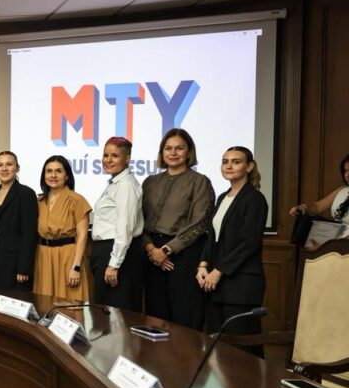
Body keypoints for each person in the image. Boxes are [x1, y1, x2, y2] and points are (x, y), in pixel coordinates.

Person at [141, 129, 214, 329]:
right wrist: (151, 250)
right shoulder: (150, 182)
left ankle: (185, 352)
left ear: (189, 152)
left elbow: (200, 222)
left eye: (179, 148)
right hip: (151, 255)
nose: (173, 153)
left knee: (184, 315)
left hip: (184, 255)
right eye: (168, 148)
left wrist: (166, 250)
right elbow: (138, 220)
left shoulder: (199, 181)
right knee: (155, 316)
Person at [198, 146, 269, 338]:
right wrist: (203, 265)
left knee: (241, 346)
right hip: (216, 283)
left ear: (249, 167)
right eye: (225, 162)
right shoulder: (222, 197)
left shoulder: (255, 198)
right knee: (217, 343)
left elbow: (249, 242)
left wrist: (218, 271)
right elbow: (213, 236)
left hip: (240, 284)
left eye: (236, 162)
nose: (229, 166)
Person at [90, 136, 144, 311]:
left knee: (118, 314)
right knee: (105, 313)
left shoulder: (126, 185)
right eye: (106, 155)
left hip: (117, 254)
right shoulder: (115, 183)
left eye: (115, 156)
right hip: (107, 252)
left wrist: (114, 265)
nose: (108, 160)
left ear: (127, 158)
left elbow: (125, 228)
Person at [32, 156, 91, 301]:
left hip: (68, 257)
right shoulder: (39, 201)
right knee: (44, 303)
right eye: (49, 171)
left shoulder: (77, 200)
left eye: (58, 171)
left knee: (69, 303)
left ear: (67, 176)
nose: (53, 175)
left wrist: (76, 267)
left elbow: (83, 235)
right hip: (43, 257)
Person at [0, 151, 38, 292]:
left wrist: (24, 268)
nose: (4, 169)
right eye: (0, 165)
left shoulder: (26, 193)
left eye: (9, 164)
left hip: (14, 266)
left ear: (17, 168)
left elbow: (29, 234)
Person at [289, 153, 349, 234]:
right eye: (345, 171)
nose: (347, 175)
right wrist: (303, 207)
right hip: (334, 238)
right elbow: (318, 206)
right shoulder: (342, 190)